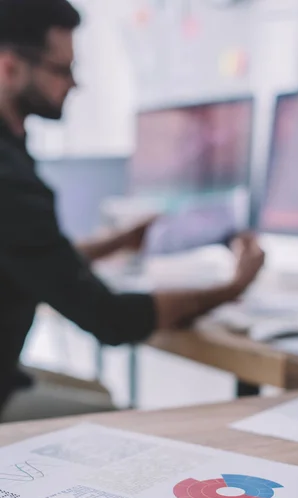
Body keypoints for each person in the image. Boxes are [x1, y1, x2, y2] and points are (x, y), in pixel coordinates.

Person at [0, 0, 264, 409]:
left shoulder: (12, 156)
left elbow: (33, 259)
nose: (74, 84)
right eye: (61, 68)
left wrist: (120, 241)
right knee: (108, 411)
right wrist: (234, 286)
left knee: (99, 396)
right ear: (9, 66)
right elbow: (111, 319)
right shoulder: (9, 179)